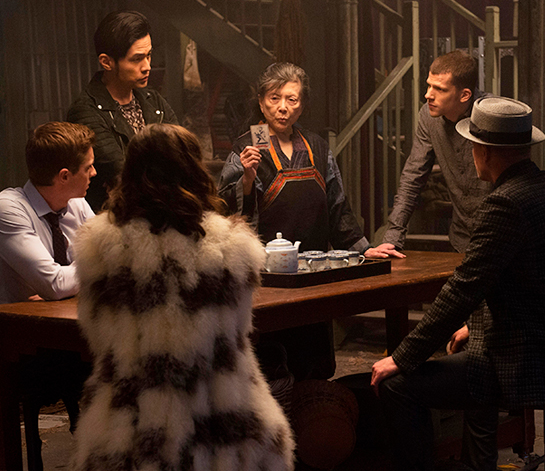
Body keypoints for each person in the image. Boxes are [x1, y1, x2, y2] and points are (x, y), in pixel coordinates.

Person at [371, 97, 545, 471]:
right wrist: (475, 326)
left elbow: (462, 289)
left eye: (472, 146)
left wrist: (401, 357)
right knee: (469, 349)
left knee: (397, 385)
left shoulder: (506, 203)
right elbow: (535, 282)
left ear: (484, 151)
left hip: (531, 361)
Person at [71, 124, 294, 471]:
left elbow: (96, 335)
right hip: (222, 421)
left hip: (128, 426)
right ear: (194, 170)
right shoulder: (232, 247)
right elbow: (238, 331)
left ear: (131, 172)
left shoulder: (100, 248)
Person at [218, 61, 390, 258]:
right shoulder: (246, 148)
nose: (282, 107)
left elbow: (337, 207)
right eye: (274, 98)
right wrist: (247, 180)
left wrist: (364, 249)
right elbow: (225, 214)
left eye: (292, 100)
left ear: (302, 105)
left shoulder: (317, 146)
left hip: (315, 263)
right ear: (261, 102)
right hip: (266, 267)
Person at [374, 50, 492, 258]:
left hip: (500, 238)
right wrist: (393, 237)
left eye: (439, 89)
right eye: (429, 85)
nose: (428, 94)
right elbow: (413, 176)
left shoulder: (493, 115)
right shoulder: (428, 117)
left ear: (464, 95)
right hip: (462, 240)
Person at [67, 10, 178, 212]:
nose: (147, 66)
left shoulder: (153, 101)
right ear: (106, 62)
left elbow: (183, 159)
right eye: (137, 59)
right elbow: (122, 176)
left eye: (149, 55)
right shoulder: (86, 111)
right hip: (114, 218)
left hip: (163, 212)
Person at [0, 121, 96, 304]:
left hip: (66, 313)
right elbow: (56, 285)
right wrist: (98, 269)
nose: (94, 173)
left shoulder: (77, 202)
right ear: (64, 176)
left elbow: (114, 258)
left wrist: (66, 285)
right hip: (17, 319)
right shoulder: (8, 209)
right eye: (88, 167)